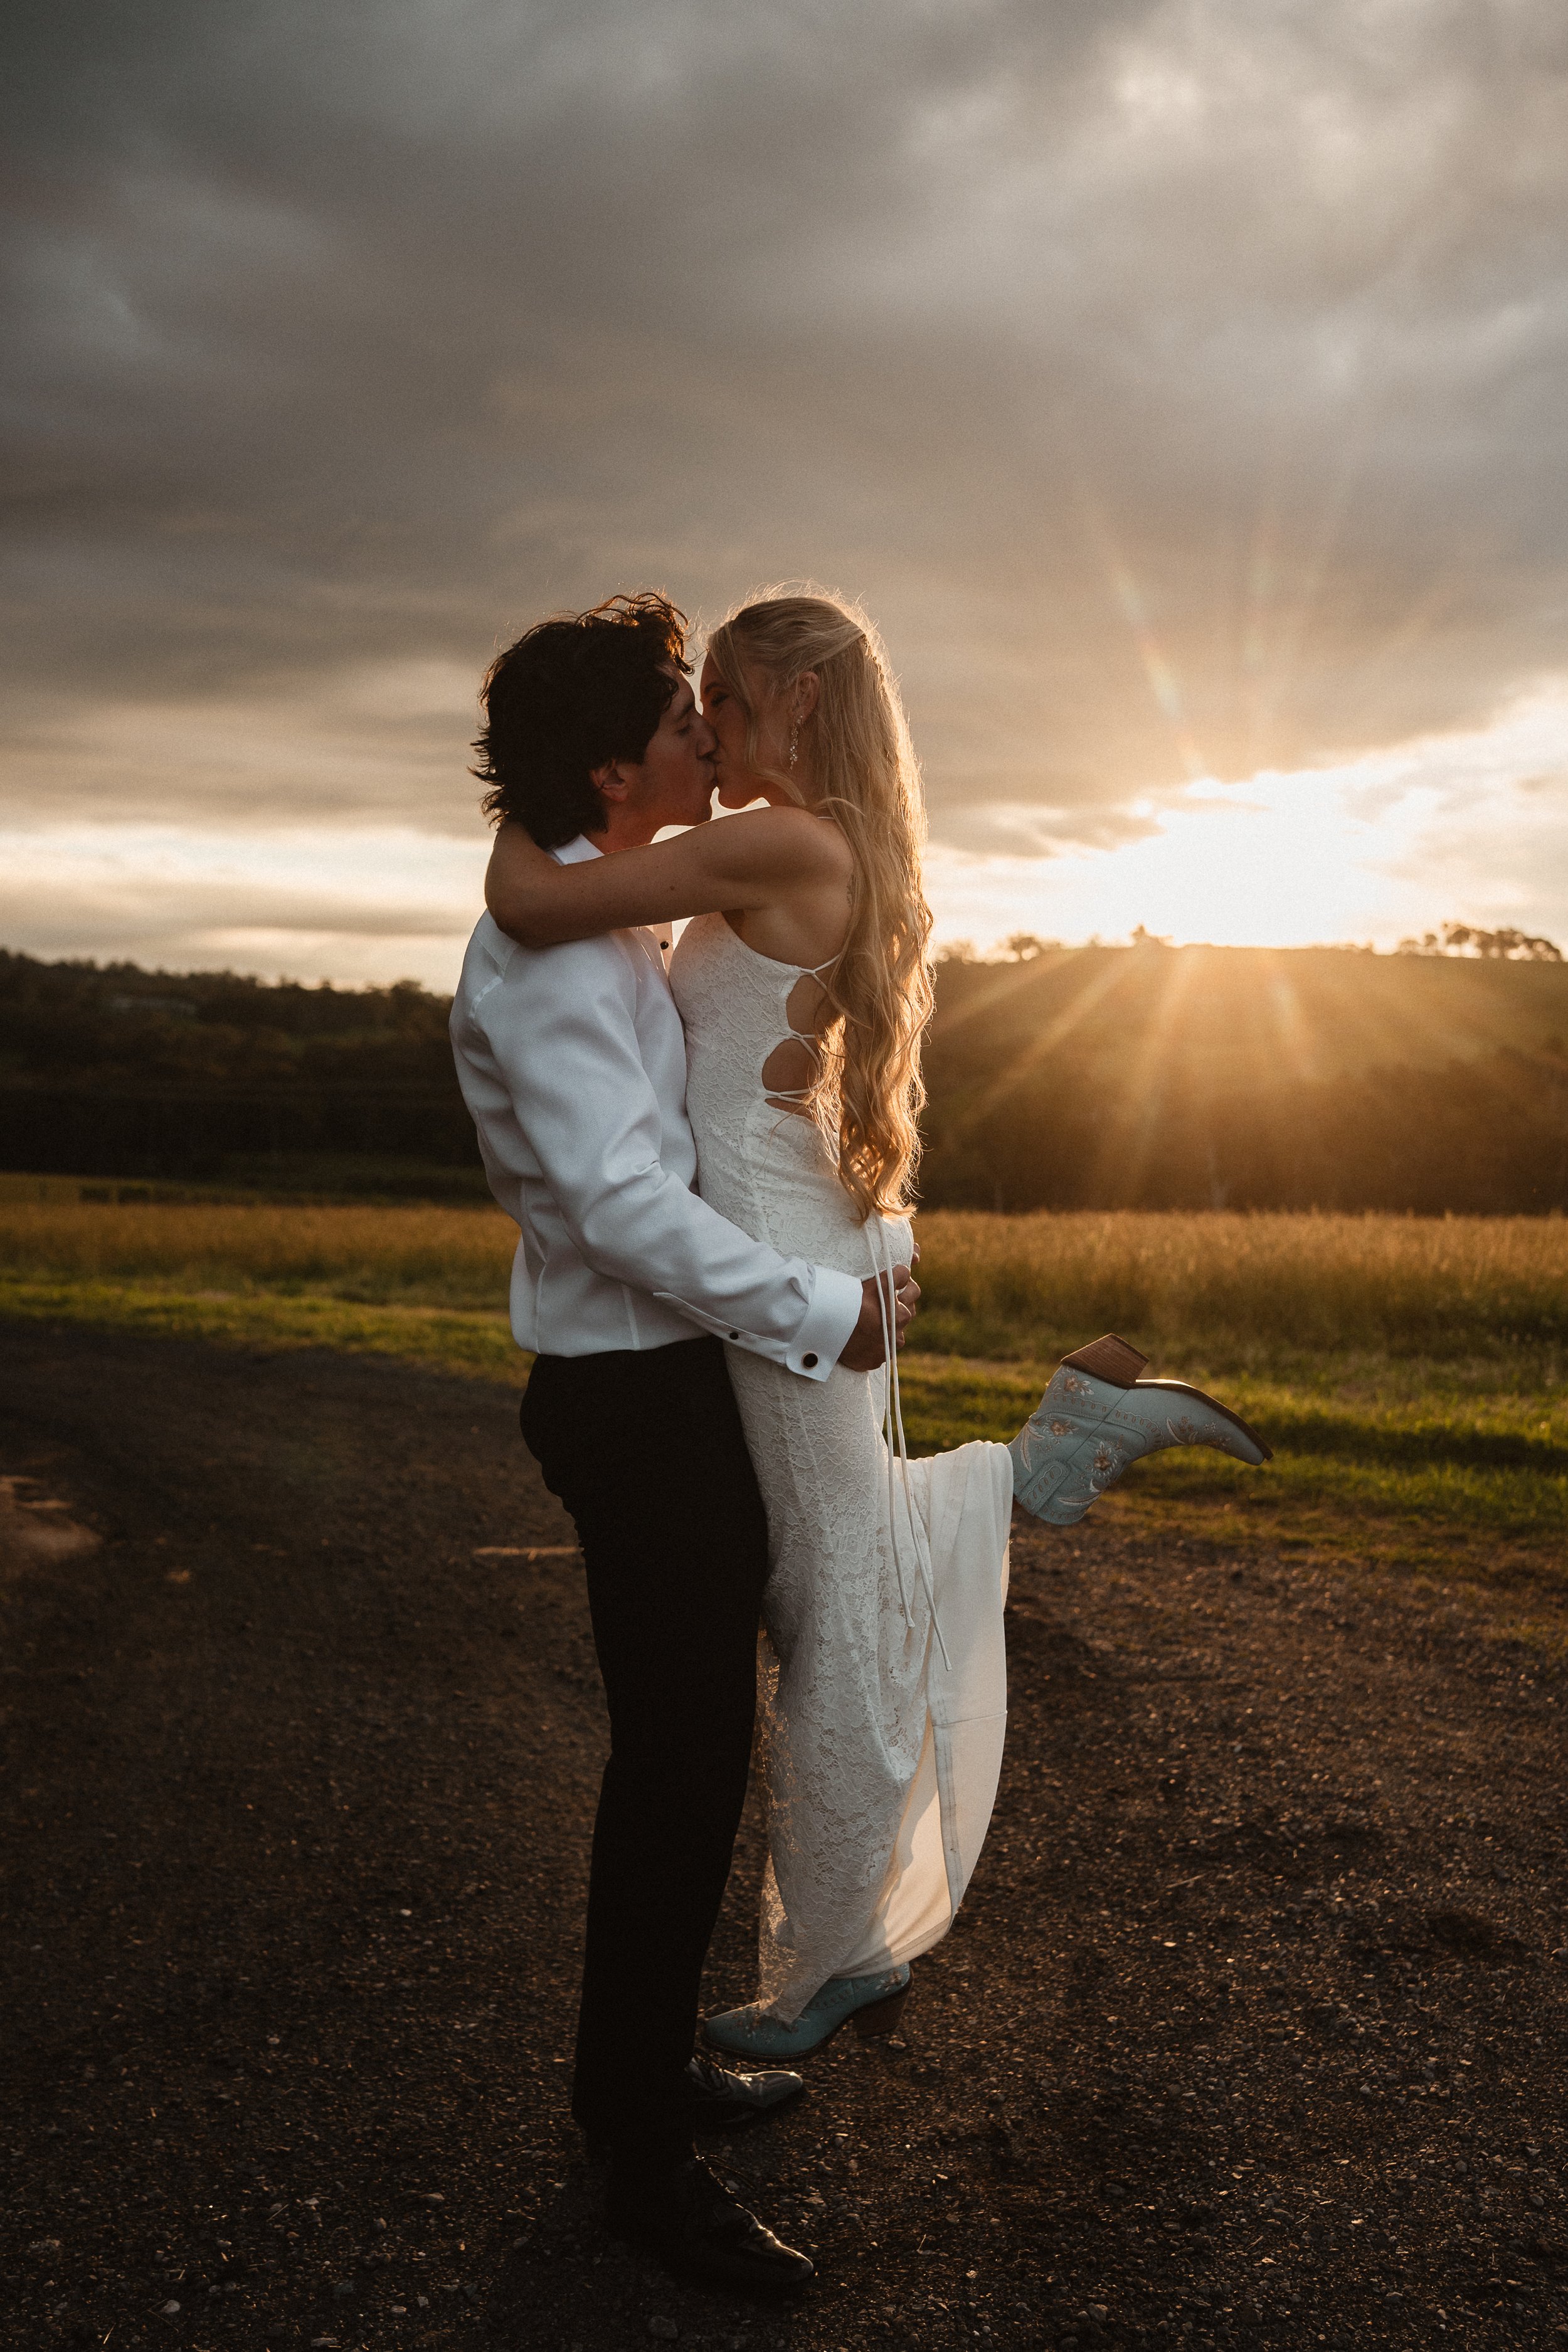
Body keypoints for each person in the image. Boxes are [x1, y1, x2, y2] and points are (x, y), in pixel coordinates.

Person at [484, 586, 1271, 2075]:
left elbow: (535, 901)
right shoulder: (818, 833)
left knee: (828, 1598)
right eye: (683, 705)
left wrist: (521, 796)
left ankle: (833, 1956)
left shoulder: (782, 837)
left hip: (781, 1254)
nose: (701, 726)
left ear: (785, 702)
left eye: (716, 694)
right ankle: (1053, 1456)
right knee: (823, 1563)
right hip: (789, 1238)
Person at [449, 593, 921, 2299]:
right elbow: (620, 1206)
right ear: (608, 765)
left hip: (671, 1382)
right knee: (677, 1767)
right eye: (675, 725)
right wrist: (818, 1309)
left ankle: (640, 2077)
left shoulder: (613, 921)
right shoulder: (558, 957)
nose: (700, 747)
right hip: (632, 1397)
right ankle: (634, 2151)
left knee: (691, 1753)